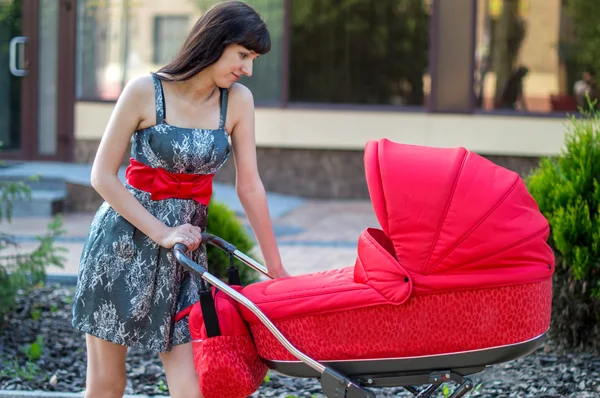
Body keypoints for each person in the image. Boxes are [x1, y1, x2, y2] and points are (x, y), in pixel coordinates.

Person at [71, 2, 290, 397]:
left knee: (193, 388)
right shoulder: (144, 91)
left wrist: (275, 268)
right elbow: (101, 176)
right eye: (243, 55)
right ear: (215, 42)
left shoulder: (237, 101)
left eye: (253, 59)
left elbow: (250, 186)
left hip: (185, 258)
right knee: (107, 385)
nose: (248, 69)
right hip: (121, 247)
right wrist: (162, 232)